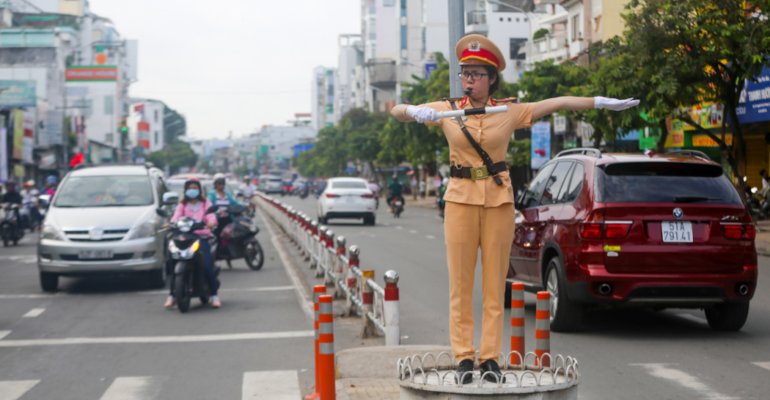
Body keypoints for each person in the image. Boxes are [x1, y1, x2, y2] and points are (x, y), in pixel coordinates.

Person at [390, 33, 639, 383]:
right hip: (460, 200)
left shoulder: (507, 111)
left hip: (498, 202)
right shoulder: (447, 109)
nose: (470, 80)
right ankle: (463, 358)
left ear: (492, 78)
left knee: (495, 285)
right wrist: (415, 111)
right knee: (460, 286)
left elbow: (558, 102)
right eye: (465, 73)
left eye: (477, 74)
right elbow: (396, 111)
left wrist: (598, 101)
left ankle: (490, 358)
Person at [165, 179, 221, 309]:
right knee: (172, 263)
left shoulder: (205, 203)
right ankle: (172, 295)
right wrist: (171, 224)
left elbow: (211, 216)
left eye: (195, 187)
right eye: (190, 187)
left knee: (207, 265)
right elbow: (176, 217)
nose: (192, 190)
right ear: (186, 190)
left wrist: (211, 222)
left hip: (201, 237)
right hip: (184, 237)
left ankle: (214, 295)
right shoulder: (182, 205)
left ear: (199, 190)